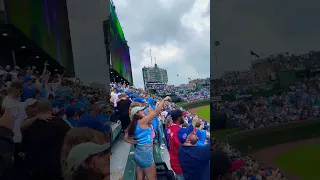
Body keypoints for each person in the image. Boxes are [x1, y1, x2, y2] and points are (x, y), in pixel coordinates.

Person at [21, 99, 71, 180]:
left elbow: (24, 146)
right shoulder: (60, 123)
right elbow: (72, 138)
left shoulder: (29, 124)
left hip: (34, 167)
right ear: (50, 108)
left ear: (37, 109)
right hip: (55, 167)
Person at [127, 96, 171, 180]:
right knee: (153, 178)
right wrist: (163, 100)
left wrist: (137, 142)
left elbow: (126, 138)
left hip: (139, 151)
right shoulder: (142, 121)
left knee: (141, 174)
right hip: (145, 153)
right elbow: (156, 111)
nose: (143, 111)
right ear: (136, 113)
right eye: (141, 110)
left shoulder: (134, 122)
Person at [166, 110, 186, 180]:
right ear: (178, 118)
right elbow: (183, 147)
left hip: (173, 158)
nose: (183, 117)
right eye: (182, 116)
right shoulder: (178, 131)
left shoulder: (170, 127)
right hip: (178, 162)